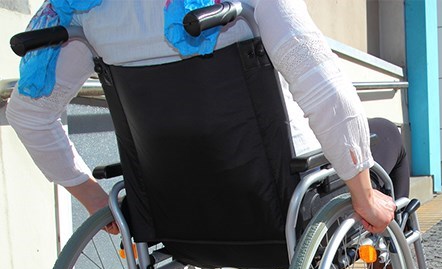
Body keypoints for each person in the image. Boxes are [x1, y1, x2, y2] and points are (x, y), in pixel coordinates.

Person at [7, 0, 409, 235]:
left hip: (170, 214)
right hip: (275, 200)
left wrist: (97, 203)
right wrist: (364, 195)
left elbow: (30, 116)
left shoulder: (83, 11)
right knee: (387, 137)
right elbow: (322, 88)